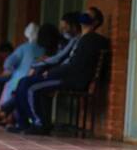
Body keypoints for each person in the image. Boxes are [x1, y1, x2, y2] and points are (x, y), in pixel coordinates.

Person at [8, 7, 109, 135]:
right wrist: (41, 66)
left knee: (30, 87)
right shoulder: (79, 39)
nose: (84, 16)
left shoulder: (92, 40)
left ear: (95, 22)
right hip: (63, 75)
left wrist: (51, 72)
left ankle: (40, 124)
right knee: (23, 82)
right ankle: (23, 123)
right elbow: (60, 58)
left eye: (88, 15)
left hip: (71, 79)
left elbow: (75, 66)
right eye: (84, 13)